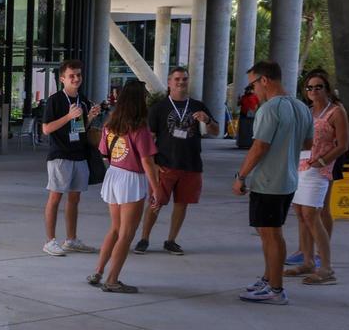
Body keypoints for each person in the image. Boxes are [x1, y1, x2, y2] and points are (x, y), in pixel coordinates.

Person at [232, 61, 313, 305]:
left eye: (253, 84)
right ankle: (269, 278)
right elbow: (307, 145)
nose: (252, 89)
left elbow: (260, 146)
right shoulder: (301, 107)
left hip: (269, 181)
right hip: (288, 179)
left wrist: (241, 176)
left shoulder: (269, 109)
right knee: (268, 232)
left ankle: (276, 289)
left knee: (271, 234)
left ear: (264, 80)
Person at [134, 66, 219, 255]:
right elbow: (149, 138)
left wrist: (207, 120)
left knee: (182, 204)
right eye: (178, 79)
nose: (181, 82)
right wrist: (153, 164)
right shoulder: (159, 108)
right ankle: (144, 238)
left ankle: (171, 240)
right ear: (169, 82)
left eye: (185, 79)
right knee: (156, 203)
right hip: (165, 165)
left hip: (191, 164)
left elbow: (216, 131)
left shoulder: (198, 106)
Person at [87, 80, 160, 293]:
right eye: (144, 96)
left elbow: (104, 152)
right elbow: (147, 161)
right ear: (139, 100)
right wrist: (156, 189)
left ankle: (98, 272)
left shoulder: (110, 124)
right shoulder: (140, 128)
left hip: (114, 175)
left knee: (116, 229)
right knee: (127, 234)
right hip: (131, 179)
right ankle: (112, 280)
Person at [282, 69, 348, 286]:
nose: (313, 91)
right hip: (300, 165)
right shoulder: (307, 111)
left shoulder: (336, 112)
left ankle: (326, 267)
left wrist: (321, 161)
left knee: (312, 214)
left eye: (318, 86)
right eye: (309, 87)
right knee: (300, 213)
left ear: (327, 89)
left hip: (320, 168)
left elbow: (343, 145)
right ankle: (308, 261)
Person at [40, 59, 103, 256]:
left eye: (78, 75)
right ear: (62, 79)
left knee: (74, 198)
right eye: (71, 76)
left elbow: (81, 128)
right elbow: (46, 129)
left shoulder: (83, 100)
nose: (76, 78)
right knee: (55, 196)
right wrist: (68, 117)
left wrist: (90, 117)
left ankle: (71, 239)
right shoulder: (55, 100)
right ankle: (50, 241)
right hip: (60, 155)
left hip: (80, 154)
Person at [237, 83, 259, 149]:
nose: (248, 91)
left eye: (249, 89)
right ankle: (242, 143)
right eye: (247, 90)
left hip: (252, 115)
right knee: (243, 129)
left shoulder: (255, 96)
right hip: (243, 115)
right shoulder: (243, 97)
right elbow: (238, 104)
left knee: (251, 130)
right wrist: (239, 99)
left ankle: (250, 144)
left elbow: (259, 105)